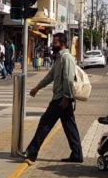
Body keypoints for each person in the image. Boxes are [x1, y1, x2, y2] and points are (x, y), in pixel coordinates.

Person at [20, 33, 83, 165]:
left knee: (45, 123)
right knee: (70, 127)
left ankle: (31, 153)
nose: (52, 45)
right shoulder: (59, 58)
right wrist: (37, 88)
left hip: (61, 98)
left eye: (55, 43)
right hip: (61, 98)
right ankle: (77, 154)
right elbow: (50, 76)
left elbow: (68, 79)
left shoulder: (67, 58)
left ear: (62, 44)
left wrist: (66, 97)